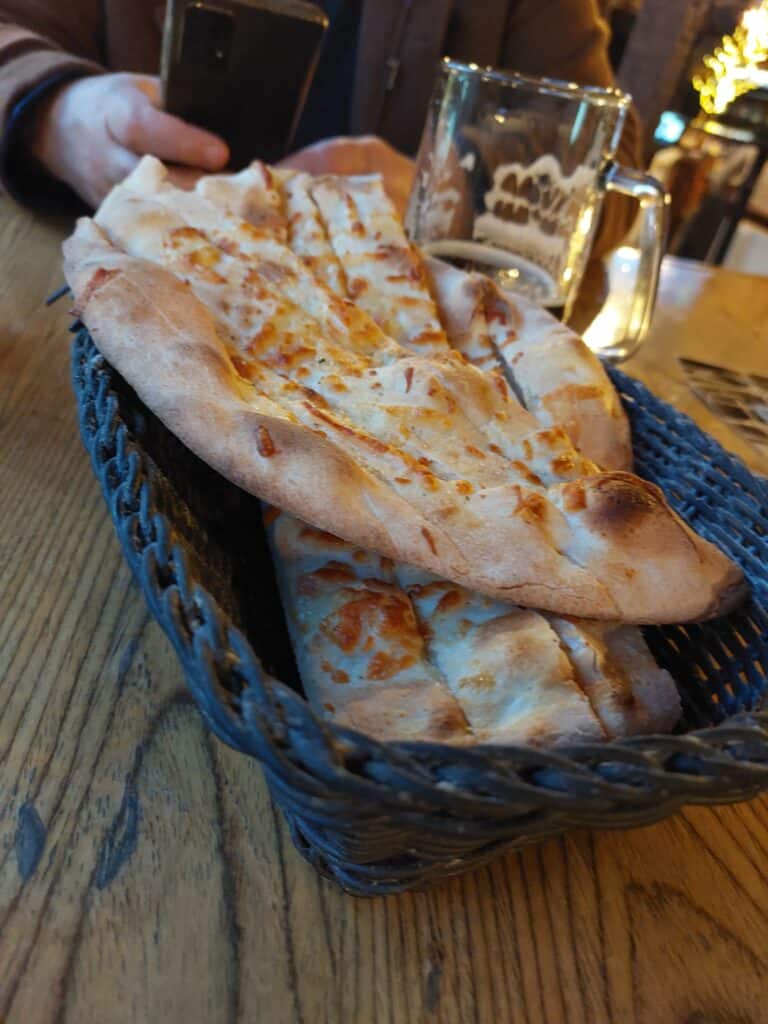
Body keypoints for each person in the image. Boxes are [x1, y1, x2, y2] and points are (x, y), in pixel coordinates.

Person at [0, 0, 640, 254]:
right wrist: (57, 112)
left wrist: (451, 197)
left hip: (368, 369)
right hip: (84, 326)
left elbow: (610, 175)